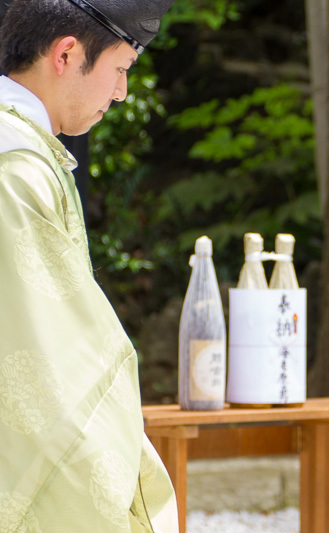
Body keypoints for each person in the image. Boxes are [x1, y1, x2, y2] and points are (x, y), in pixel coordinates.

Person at [0, 1, 177, 531]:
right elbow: (58, 360)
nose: (121, 92)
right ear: (66, 53)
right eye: (119, 69)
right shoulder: (16, 168)